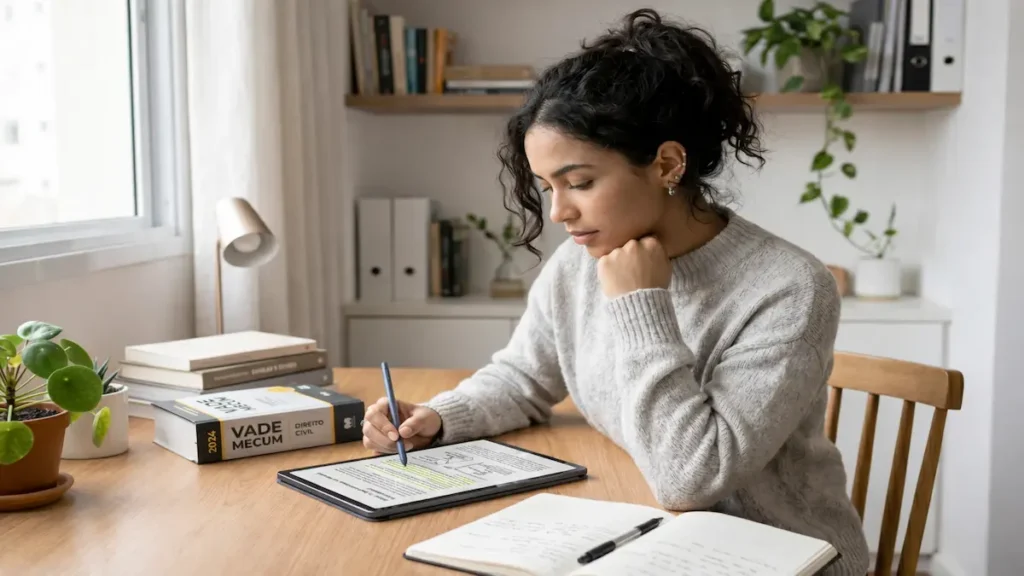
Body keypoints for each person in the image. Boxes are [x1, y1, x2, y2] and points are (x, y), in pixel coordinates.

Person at [361, 8, 869, 575]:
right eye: (548, 186)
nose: (559, 212)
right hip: (643, 527)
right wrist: (438, 417)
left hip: (774, 554)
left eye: (580, 182)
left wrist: (640, 304)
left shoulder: (789, 288)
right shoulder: (581, 259)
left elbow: (691, 479)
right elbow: (524, 378)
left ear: (667, 165)